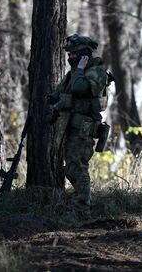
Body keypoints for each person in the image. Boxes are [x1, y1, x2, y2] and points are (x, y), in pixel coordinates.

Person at [47, 34, 108, 220]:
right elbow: (60, 91)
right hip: (69, 128)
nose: (69, 58)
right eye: (69, 54)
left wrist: (80, 69)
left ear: (83, 56)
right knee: (71, 168)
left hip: (83, 130)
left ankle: (81, 210)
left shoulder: (96, 71)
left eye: (73, 54)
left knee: (77, 168)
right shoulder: (73, 74)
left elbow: (79, 89)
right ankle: (80, 207)